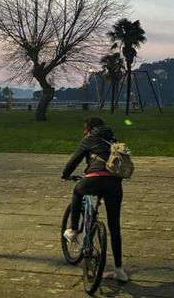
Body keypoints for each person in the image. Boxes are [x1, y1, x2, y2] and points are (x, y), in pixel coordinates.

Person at [61, 117, 129, 283]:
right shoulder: (113, 140)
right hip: (114, 184)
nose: (84, 132)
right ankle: (119, 270)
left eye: (85, 129)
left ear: (90, 128)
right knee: (114, 226)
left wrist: (65, 174)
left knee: (78, 191)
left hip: (94, 179)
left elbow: (74, 160)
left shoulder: (89, 139)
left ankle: (74, 230)